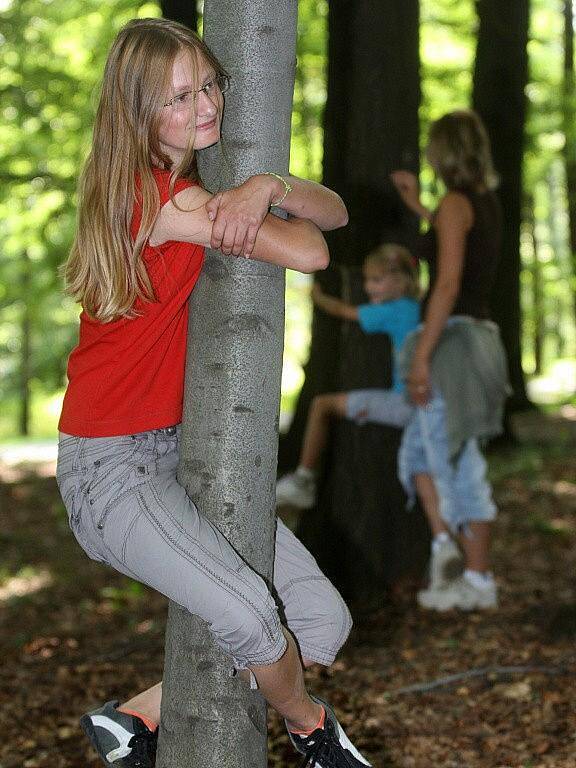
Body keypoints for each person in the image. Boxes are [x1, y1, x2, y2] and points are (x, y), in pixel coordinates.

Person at [56, 17, 372, 768]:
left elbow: (335, 214)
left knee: (320, 620)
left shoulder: (191, 192)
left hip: (176, 453)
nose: (206, 108)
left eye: (210, 85)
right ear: (137, 112)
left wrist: (266, 184)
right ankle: (310, 728)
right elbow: (313, 248)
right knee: (256, 624)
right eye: (179, 97)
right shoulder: (159, 199)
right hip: (111, 471)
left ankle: (133, 720)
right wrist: (260, 200)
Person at [391, 109, 509, 612]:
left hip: (456, 345)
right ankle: (446, 550)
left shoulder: (458, 203)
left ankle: (479, 582)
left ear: (445, 152)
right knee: (419, 456)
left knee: (460, 461)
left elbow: (447, 282)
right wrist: (420, 208)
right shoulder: (473, 203)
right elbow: (448, 245)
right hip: (466, 339)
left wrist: (422, 356)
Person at [276, 243, 420, 510]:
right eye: (367, 280)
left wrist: (317, 296)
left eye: (376, 280)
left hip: (404, 403)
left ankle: (304, 481)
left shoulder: (395, 310)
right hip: (423, 405)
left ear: (400, 281)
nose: (368, 288)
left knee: (322, 405)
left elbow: (345, 311)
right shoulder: (416, 308)